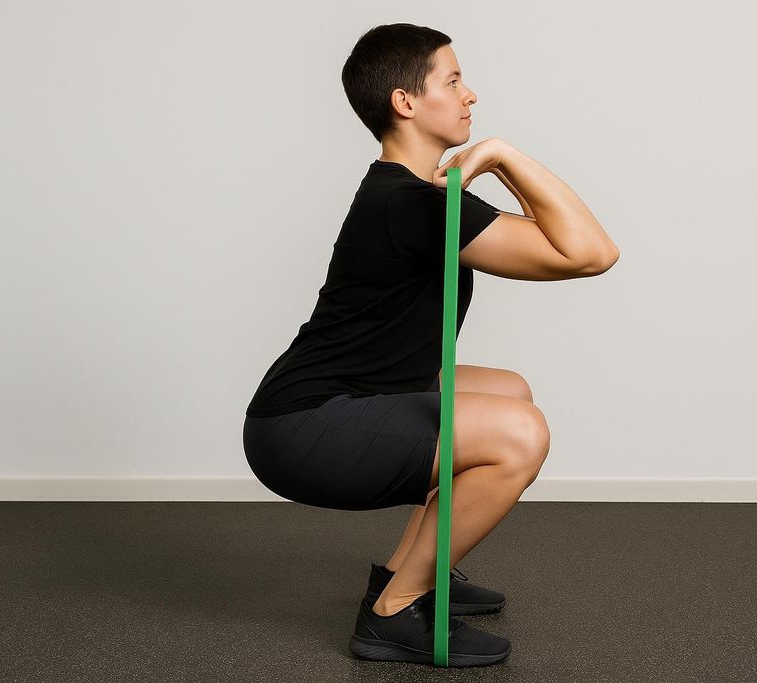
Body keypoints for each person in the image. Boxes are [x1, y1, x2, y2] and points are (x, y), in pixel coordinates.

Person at [242, 23, 619, 668]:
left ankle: (402, 572)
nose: (470, 93)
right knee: (519, 433)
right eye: (452, 79)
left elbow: (570, 247)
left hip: (328, 404)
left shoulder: (412, 196)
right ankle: (394, 613)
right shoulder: (415, 205)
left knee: (507, 391)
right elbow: (590, 253)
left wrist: (487, 168)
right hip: (304, 427)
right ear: (405, 102)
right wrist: (502, 155)